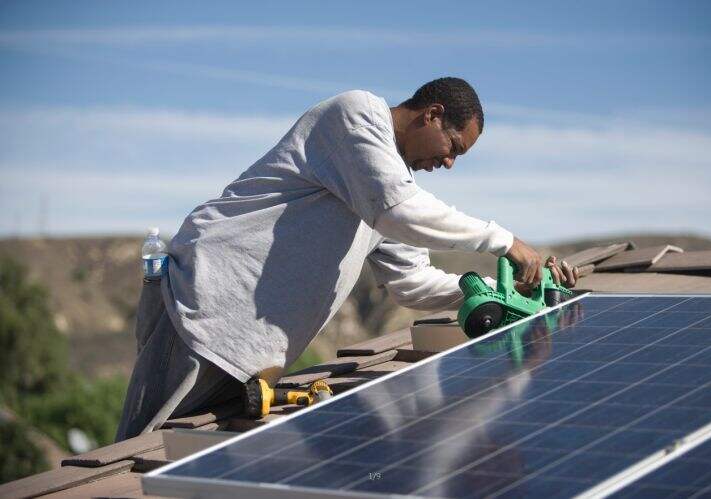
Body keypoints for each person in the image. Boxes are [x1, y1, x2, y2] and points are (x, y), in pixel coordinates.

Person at [116, 77, 578, 441]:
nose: (449, 164)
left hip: (249, 351)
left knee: (178, 457)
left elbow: (411, 282)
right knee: (143, 450)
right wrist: (502, 240)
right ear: (432, 115)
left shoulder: (388, 186)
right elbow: (400, 213)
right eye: (453, 148)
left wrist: (497, 295)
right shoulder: (355, 117)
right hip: (205, 312)